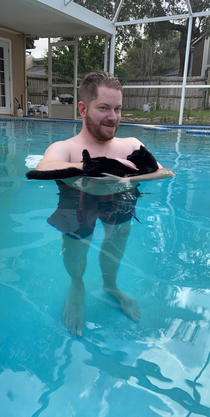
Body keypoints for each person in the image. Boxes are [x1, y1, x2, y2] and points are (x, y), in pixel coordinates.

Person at [36, 71, 167, 337]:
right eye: (104, 108)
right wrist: (97, 167)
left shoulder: (130, 144)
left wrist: (129, 170)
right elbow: (45, 167)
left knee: (118, 237)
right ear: (83, 109)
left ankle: (111, 285)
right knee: (76, 245)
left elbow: (164, 172)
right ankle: (77, 286)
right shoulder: (67, 148)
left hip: (120, 203)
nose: (113, 117)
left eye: (118, 109)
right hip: (78, 205)